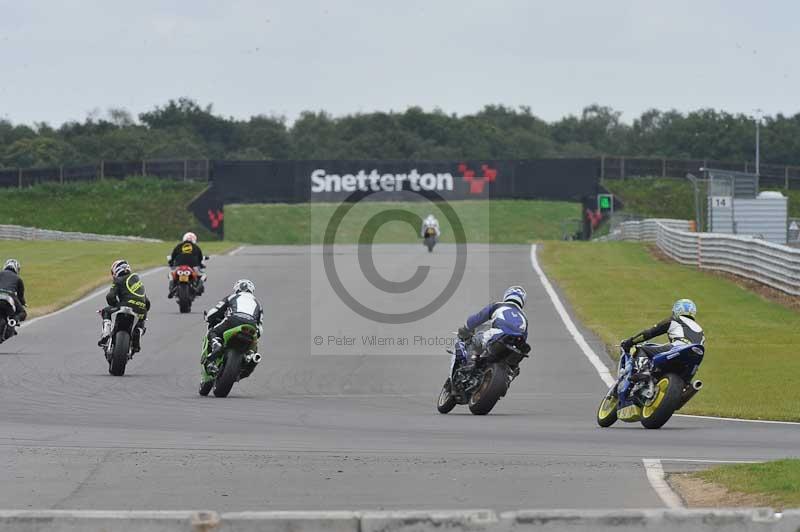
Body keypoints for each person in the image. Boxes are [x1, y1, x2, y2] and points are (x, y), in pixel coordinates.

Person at [620, 298, 704, 377]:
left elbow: (649, 333)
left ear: (677, 310)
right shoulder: (701, 330)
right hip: (694, 360)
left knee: (641, 349)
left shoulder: (674, 320)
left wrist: (631, 341)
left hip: (678, 348)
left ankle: (644, 370)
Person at [457, 286, 528, 372]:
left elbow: (478, 318)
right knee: (514, 368)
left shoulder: (498, 306)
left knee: (475, 340)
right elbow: (524, 337)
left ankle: (469, 365)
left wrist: (466, 328)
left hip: (498, 335)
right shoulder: (524, 317)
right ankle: (509, 372)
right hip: (516, 344)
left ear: (507, 295)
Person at [201, 279, 263, 377]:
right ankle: (251, 358)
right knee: (253, 349)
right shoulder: (258, 303)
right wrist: (256, 335)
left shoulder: (232, 297)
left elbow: (217, 310)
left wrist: (208, 317)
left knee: (213, 332)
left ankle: (217, 345)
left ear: (237, 288)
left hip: (233, 320)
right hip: (251, 326)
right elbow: (260, 326)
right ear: (251, 290)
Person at [98, 260, 150, 353]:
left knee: (105, 311)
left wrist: (115, 304)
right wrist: (143, 309)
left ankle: (106, 334)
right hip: (141, 309)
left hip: (125, 305)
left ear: (116, 271)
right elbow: (147, 303)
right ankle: (137, 333)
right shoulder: (138, 281)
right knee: (142, 320)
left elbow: (110, 297)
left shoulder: (118, 280)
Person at [168, 232, 206, 298]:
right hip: (193, 265)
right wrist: (201, 265)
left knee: (171, 275)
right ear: (194, 240)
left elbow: (173, 256)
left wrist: (171, 263)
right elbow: (200, 258)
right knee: (203, 275)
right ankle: (198, 288)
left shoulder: (179, 246)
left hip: (179, 264)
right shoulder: (196, 247)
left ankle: (171, 288)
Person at [0, 259, 27, 338]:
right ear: (17, 269)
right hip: (9, 296)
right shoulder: (18, 279)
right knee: (23, 313)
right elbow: (20, 296)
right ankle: (13, 321)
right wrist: (24, 303)